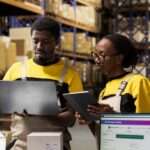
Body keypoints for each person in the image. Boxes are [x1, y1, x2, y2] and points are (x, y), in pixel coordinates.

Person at [3, 16, 83, 150]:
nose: (39, 46)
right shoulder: (16, 70)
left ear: (57, 42)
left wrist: (44, 115)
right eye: (35, 41)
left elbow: (71, 119)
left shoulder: (70, 75)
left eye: (45, 42)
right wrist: (15, 108)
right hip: (21, 145)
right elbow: (3, 109)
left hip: (55, 145)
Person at [76, 33, 150, 135]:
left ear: (119, 58)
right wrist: (90, 120)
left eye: (102, 55)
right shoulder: (104, 91)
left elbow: (146, 127)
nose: (97, 60)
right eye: (95, 55)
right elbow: (101, 134)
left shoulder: (138, 82)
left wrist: (112, 116)